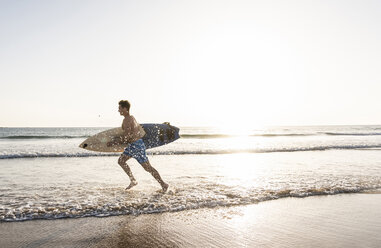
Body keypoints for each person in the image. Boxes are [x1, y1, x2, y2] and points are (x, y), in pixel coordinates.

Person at [107, 100, 169, 192]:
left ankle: (163, 184)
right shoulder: (132, 118)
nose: (118, 110)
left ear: (125, 108)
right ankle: (133, 180)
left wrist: (114, 142)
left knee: (147, 167)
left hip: (136, 146)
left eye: (120, 108)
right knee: (122, 161)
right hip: (135, 145)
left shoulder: (127, 120)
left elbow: (127, 136)